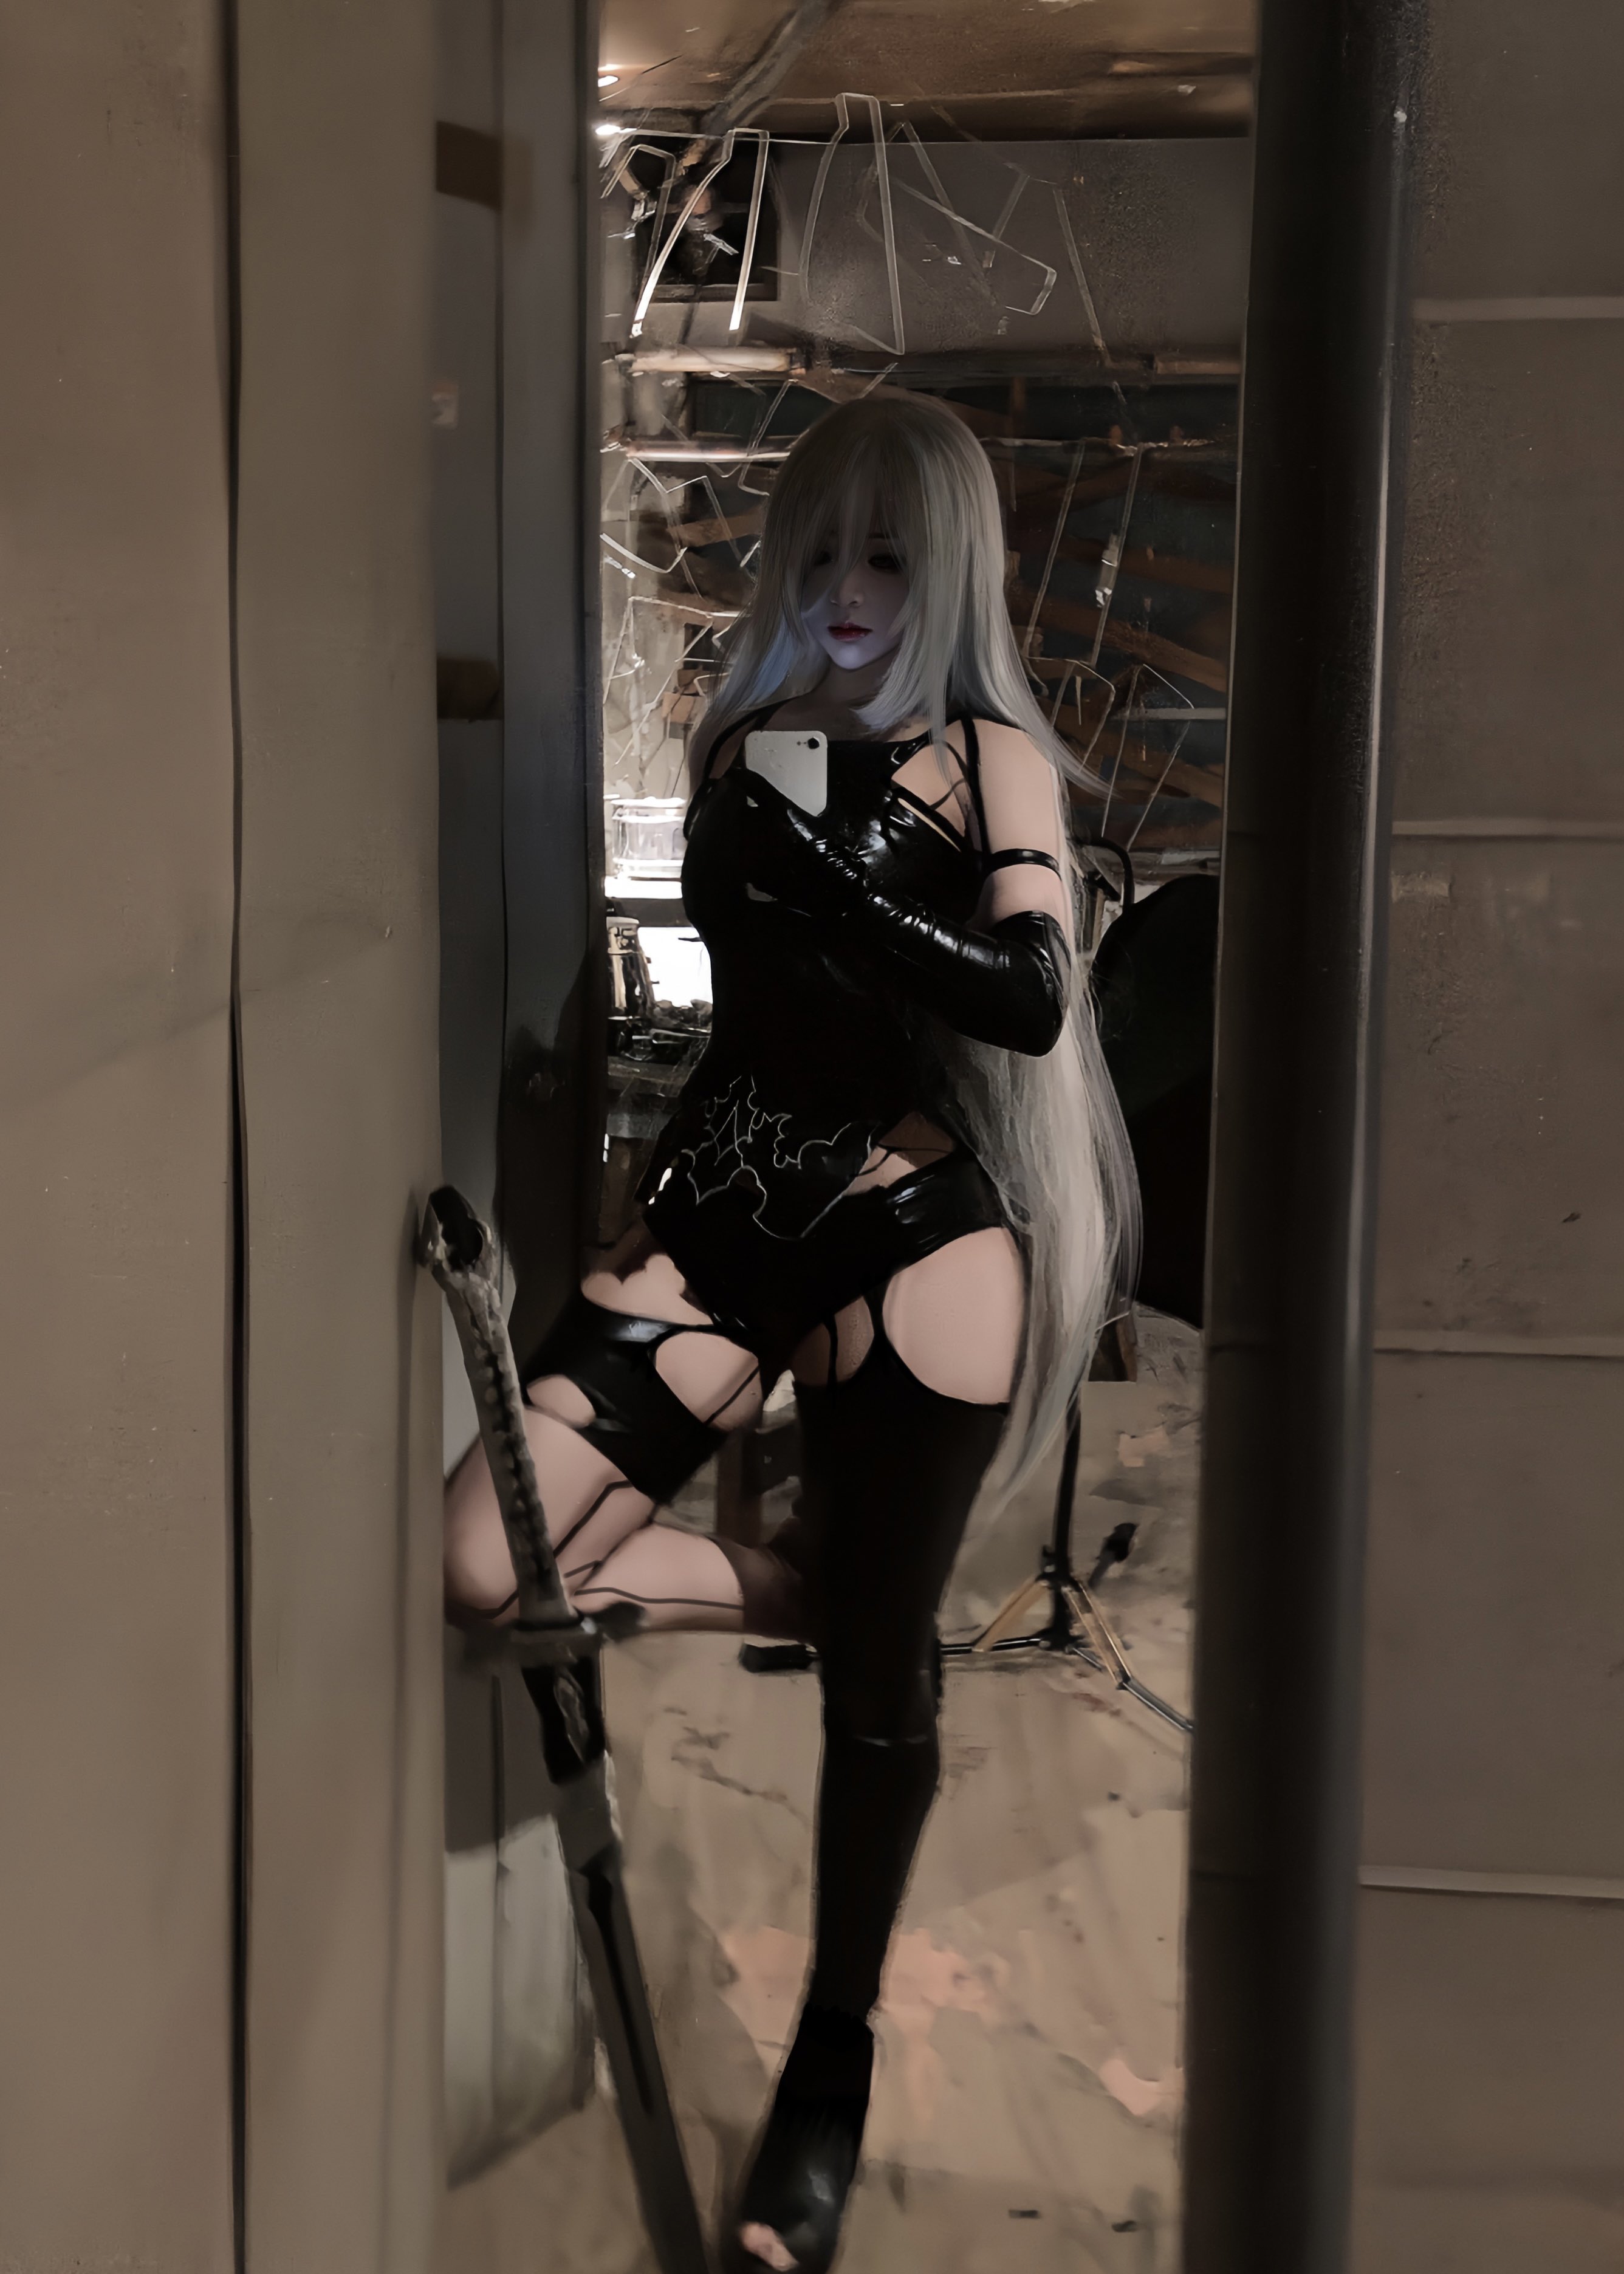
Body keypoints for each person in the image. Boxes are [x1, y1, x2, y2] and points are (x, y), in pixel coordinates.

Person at [444, 392, 1134, 2273]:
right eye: (817, 549)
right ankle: (822, 1593)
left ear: (947, 569)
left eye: (886, 555)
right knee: (488, 1557)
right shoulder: (741, 737)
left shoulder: (985, 761)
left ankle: (830, 2063)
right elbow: (750, 1015)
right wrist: (635, 1192)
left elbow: (1027, 995)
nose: (844, 588)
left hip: (916, 1243)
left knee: (875, 1697)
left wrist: (823, 871)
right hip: (720, 1221)